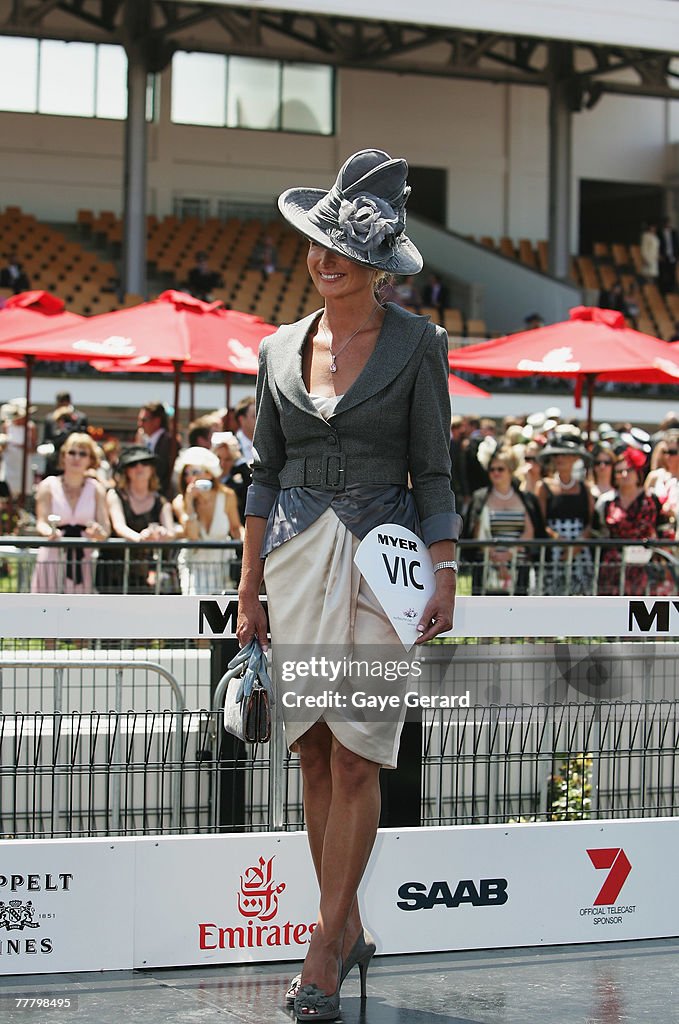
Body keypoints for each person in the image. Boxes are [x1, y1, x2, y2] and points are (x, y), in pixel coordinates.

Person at [236, 149, 460, 1021]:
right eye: (315, 244)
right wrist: (248, 585)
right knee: (314, 754)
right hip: (292, 563)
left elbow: (434, 473)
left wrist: (443, 570)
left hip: (381, 566)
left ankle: (323, 947)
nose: (322, 259)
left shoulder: (420, 345)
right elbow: (261, 475)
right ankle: (350, 922)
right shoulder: (274, 349)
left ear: (376, 264)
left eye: (340, 249)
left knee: (361, 756)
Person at [31, 433, 109, 594]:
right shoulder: (48, 485)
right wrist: (51, 532)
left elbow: (105, 529)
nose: (77, 458)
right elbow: (41, 522)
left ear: (90, 459)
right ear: (63, 456)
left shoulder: (96, 488)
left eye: (83, 454)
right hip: (53, 555)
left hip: (83, 558)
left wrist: (98, 533)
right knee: (47, 609)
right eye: (72, 452)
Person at [97, 445, 176, 594]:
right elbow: (119, 526)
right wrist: (140, 538)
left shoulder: (161, 502)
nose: (139, 467)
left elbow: (171, 532)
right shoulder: (115, 495)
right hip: (113, 570)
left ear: (152, 469)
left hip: (143, 574)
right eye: (133, 464)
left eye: (145, 463)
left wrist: (161, 533)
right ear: (126, 471)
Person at [462, 448, 536, 595]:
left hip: (517, 566)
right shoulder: (480, 498)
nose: (495, 473)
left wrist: (510, 554)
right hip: (486, 567)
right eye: (492, 469)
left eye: (500, 469)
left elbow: (529, 531)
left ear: (510, 470)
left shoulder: (524, 498)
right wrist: (497, 559)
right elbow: (477, 534)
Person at [173, 447, 242, 594]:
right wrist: (190, 503)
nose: (190, 477)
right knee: (193, 605)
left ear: (209, 474)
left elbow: (236, 528)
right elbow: (192, 536)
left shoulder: (227, 496)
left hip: (222, 564)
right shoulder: (180, 502)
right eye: (186, 473)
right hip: (194, 564)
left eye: (195, 472)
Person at [595, 448, 660, 595]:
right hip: (613, 565)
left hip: (644, 563)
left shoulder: (652, 500)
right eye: (619, 472)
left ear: (637, 472)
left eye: (629, 470)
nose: (624, 475)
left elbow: (660, 527)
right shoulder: (606, 501)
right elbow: (599, 530)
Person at [536, 434, 594, 595]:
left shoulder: (584, 488)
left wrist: (578, 544)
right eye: (556, 455)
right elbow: (540, 521)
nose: (560, 458)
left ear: (575, 458)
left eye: (564, 454)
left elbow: (591, 522)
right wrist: (558, 540)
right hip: (554, 549)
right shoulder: (544, 486)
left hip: (580, 550)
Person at [0, 398, 37, 498]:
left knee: (22, 496)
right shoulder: (7, 426)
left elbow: (34, 449)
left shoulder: (31, 427)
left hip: (23, 466)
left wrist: (23, 447)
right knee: (6, 494)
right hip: (9, 465)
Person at [211, 431, 252, 523]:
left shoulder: (242, 482)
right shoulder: (207, 479)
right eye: (218, 458)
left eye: (227, 459)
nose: (222, 463)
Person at [136, 402, 173, 498]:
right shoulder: (147, 441)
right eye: (139, 420)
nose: (140, 424)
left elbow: (161, 472)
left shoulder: (168, 442)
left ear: (157, 421)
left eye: (144, 420)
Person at [233, 395, 256, 465]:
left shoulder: (268, 444)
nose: (259, 420)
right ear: (242, 419)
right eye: (254, 416)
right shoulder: (232, 445)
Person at [658, 216, 678, 295]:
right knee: (663, 275)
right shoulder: (659, 233)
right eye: (666, 222)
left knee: (672, 274)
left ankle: (672, 291)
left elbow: (676, 245)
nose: (667, 224)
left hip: (672, 257)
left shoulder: (674, 232)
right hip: (663, 257)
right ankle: (663, 292)